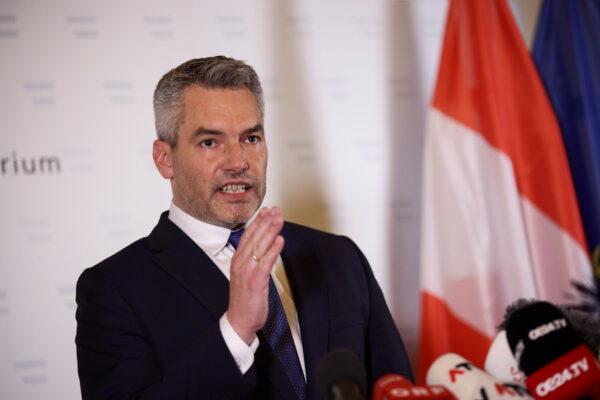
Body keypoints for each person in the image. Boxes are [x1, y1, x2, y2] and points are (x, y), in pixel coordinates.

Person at [75, 56, 413, 400]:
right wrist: (235, 331)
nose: (238, 162)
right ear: (165, 158)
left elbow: (397, 388)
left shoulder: (338, 256)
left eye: (251, 138)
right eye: (210, 142)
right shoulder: (114, 290)